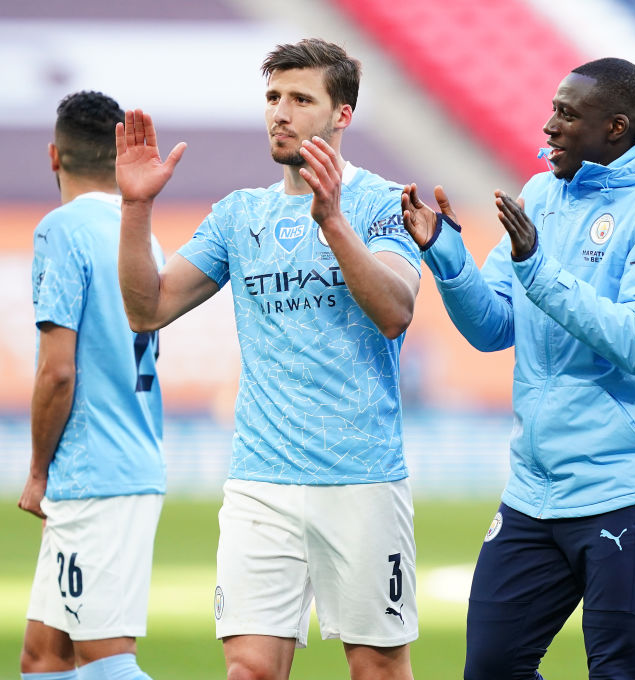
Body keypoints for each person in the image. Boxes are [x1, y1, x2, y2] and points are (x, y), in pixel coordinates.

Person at [115, 39, 422, 680]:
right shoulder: (238, 215)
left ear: (342, 115)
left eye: (300, 99)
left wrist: (332, 221)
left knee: (378, 670)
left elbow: (396, 310)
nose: (280, 112)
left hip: (360, 477)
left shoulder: (385, 203)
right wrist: (136, 207)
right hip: (261, 480)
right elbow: (148, 309)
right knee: (248, 671)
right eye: (273, 98)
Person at [402, 57, 635, 679]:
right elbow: (494, 326)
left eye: (568, 114)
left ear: (617, 127)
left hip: (631, 485)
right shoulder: (543, 194)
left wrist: (538, 267)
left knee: (618, 670)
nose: (549, 125)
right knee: (491, 669)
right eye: (553, 108)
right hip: (536, 489)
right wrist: (446, 254)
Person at [19, 91, 165, 680]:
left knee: (105, 660)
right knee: (44, 657)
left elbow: (57, 370)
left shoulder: (62, 230)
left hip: (93, 472)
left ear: (54, 156)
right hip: (127, 459)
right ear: (116, 159)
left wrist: (36, 470)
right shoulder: (140, 236)